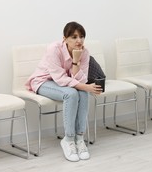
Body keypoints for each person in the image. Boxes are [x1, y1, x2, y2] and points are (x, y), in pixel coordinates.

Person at [25, 21, 102, 162]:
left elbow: (81, 79)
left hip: (63, 82)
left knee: (83, 93)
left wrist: (77, 60)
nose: (79, 40)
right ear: (64, 38)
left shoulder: (84, 52)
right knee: (71, 94)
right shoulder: (54, 49)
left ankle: (79, 138)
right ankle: (68, 139)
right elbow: (60, 79)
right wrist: (85, 85)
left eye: (82, 36)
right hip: (43, 81)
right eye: (74, 37)